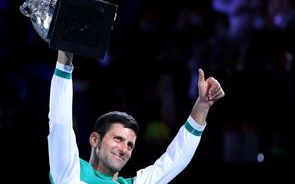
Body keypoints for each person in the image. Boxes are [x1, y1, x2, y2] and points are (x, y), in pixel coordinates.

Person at [48, 50, 225, 183]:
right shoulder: (69, 171)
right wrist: (65, 56)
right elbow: (60, 123)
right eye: (118, 139)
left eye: (130, 145)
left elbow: (174, 160)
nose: (124, 149)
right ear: (95, 139)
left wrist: (203, 104)